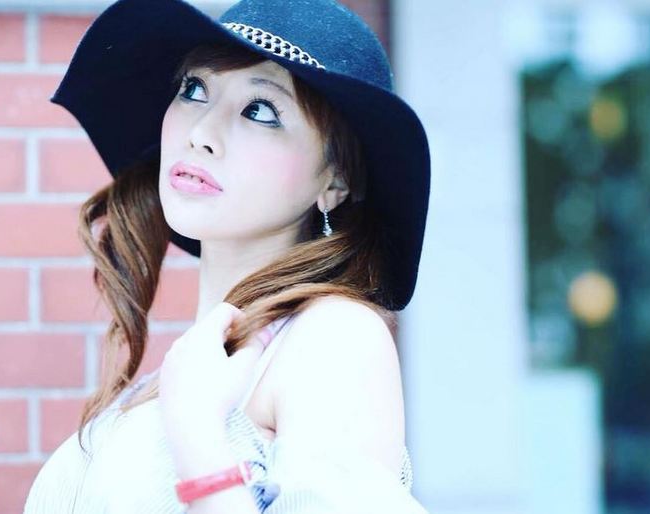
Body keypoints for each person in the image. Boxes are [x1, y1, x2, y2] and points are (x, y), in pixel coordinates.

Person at [23, 0, 432, 512]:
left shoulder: (333, 337)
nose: (201, 134)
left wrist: (199, 436)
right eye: (194, 89)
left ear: (336, 181)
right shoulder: (193, 370)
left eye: (260, 111)